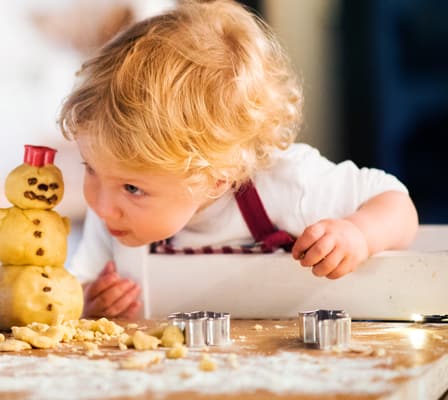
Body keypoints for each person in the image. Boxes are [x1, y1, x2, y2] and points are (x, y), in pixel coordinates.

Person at [57, 0, 419, 320]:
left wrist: (358, 233)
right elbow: (73, 292)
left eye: (133, 188)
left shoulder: (289, 184)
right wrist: (89, 301)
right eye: (91, 168)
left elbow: (396, 203)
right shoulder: (113, 214)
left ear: (217, 178)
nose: (101, 205)